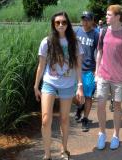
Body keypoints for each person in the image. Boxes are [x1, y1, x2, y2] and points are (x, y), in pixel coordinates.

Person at [33, 11, 85, 160]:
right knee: (45, 119)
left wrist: (80, 85)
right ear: (53, 25)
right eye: (58, 22)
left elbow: (78, 66)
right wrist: (36, 85)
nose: (61, 25)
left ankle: (64, 149)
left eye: (64, 22)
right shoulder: (47, 42)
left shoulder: (74, 43)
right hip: (49, 83)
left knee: (64, 119)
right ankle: (47, 154)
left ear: (68, 24)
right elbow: (41, 66)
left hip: (67, 84)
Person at [95, 4, 122, 150]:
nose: (106, 17)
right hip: (103, 75)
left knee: (117, 106)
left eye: (109, 15)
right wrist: (96, 71)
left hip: (119, 77)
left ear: (118, 17)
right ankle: (101, 133)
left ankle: (115, 135)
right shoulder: (103, 31)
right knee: (100, 104)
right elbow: (99, 52)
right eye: (106, 14)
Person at [74, 11, 99, 132]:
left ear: (92, 21)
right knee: (76, 96)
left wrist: (97, 70)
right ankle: (79, 107)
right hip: (75, 69)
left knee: (88, 96)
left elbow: (99, 52)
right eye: (83, 19)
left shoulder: (96, 34)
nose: (85, 21)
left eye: (87, 19)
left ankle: (85, 118)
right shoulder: (76, 31)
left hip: (89, 69)